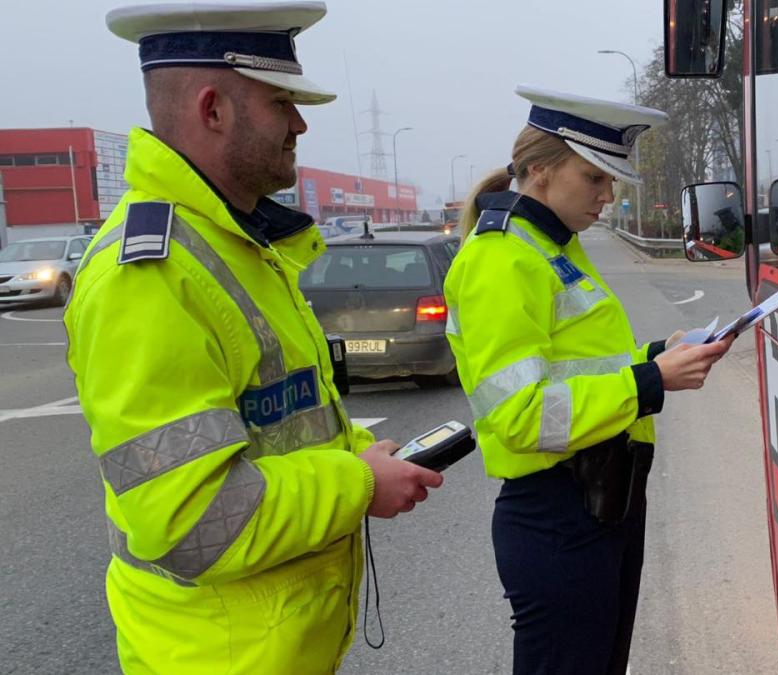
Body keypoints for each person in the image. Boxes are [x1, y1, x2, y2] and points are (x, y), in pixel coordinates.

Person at [65, 3, 443, 672]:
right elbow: (192, 520)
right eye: (281, 103)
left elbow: (279, 416)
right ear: (214, 110)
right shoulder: (149, 274)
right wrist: (357, 483)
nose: (300, 124)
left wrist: (359, 451)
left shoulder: (237, 245)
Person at [443, 85, 732, 675]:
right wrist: (650, 382)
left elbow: (577, 365)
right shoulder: (503, 258)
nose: (607, 196)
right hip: (560, 513)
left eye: (612, 182)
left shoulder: (555, 248)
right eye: (594, 178)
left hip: (602, 502)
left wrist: (659, 355)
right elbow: (522, 415)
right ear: (540, 171)